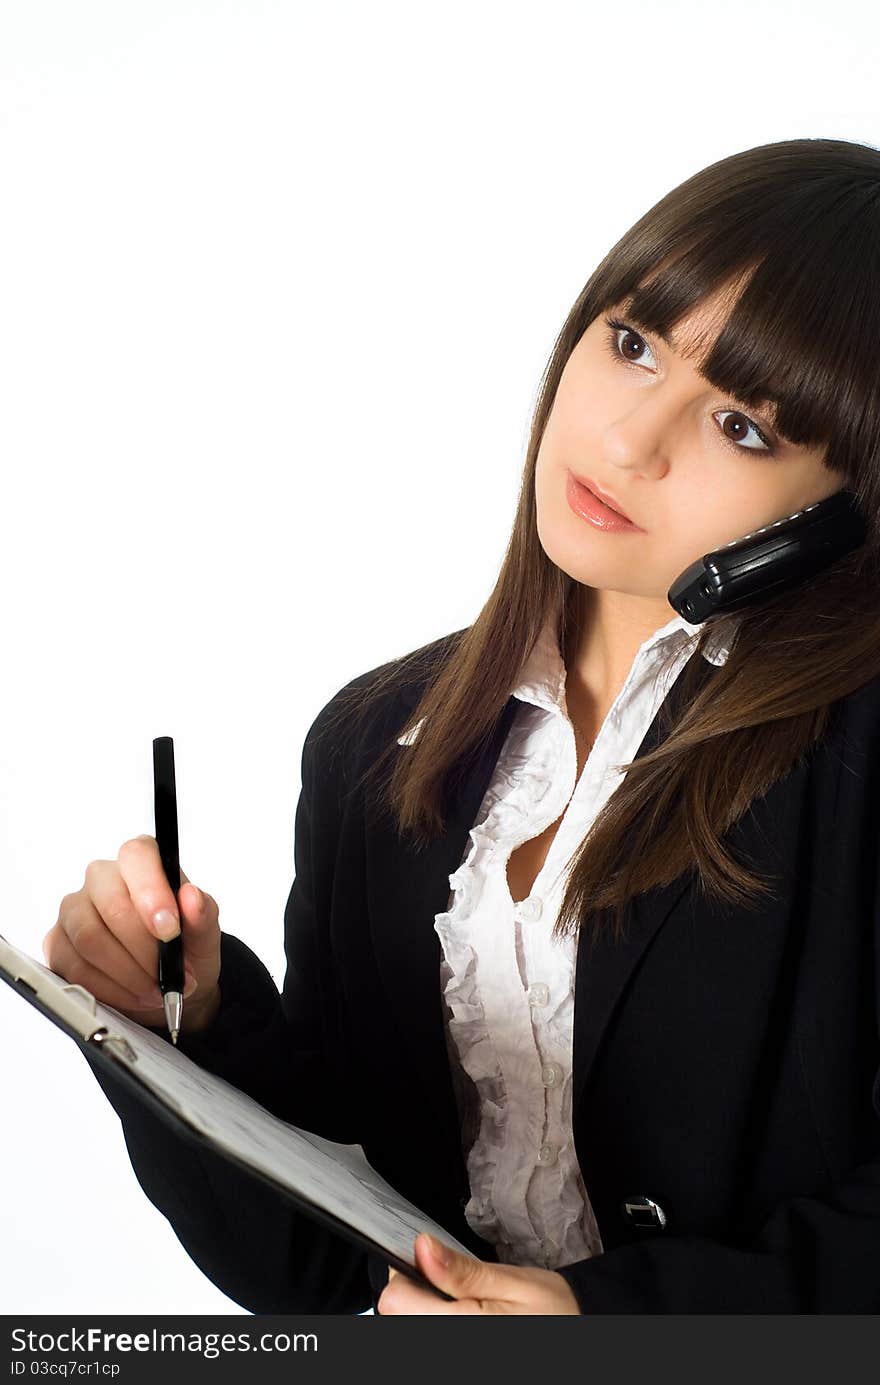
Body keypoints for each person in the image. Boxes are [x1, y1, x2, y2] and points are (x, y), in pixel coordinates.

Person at [45, 135, 880, 1314]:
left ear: (839, 516)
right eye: (631, 344)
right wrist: (185, 1016)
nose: (629, 440)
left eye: (743, 426)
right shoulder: (372, 741)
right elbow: (325, 1261)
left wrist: (612, 1321)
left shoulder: (855, 760)